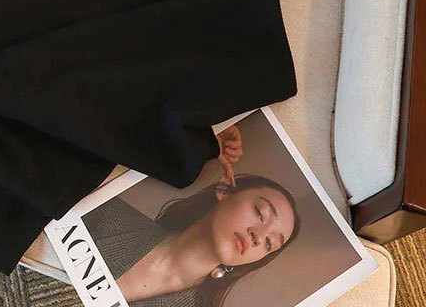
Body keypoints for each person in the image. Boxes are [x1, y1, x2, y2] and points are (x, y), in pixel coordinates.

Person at [83, 127, 301, 307]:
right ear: (225, 189)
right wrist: (196, 138)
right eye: (260, 212)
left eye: (269, 243)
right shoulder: (104, 215)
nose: (258, 236)